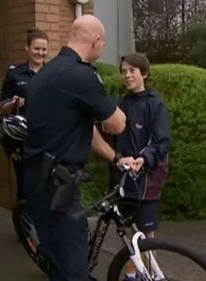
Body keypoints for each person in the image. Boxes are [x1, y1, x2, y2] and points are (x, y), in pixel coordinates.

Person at [23, 15, 126, 281]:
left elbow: (81, 127)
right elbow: (116, 125)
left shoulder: (45, 73)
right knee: (73, 267)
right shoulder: (81, 75)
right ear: (96, 41)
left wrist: (115, 157)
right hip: (59, 185)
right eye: (103, 44)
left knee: (57, 258)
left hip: (37, 180)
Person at [109, 53, 171, 281]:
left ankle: (153, 275)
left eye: (132, 71)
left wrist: (145, 158)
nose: (127, 75)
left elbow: (162, 142)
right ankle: (131, 275)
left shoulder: (156, 104)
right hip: (123, 179)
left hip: (147, 181)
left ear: (143, 73)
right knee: (126, 230)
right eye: (124, 71)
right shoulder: (119, 104)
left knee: (146, 234)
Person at [0, 29, 49, 201]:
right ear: (27, 48)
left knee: (46, 184)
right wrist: (12, 103)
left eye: (44, 49)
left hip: (47, 138)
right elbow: (2, 108)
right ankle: (25, 225)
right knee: (25, 185)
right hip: (23, 139)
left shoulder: (52, 73)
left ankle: (44, 225)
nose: (40, 53)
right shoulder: (14, 73)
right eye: (36, 48)